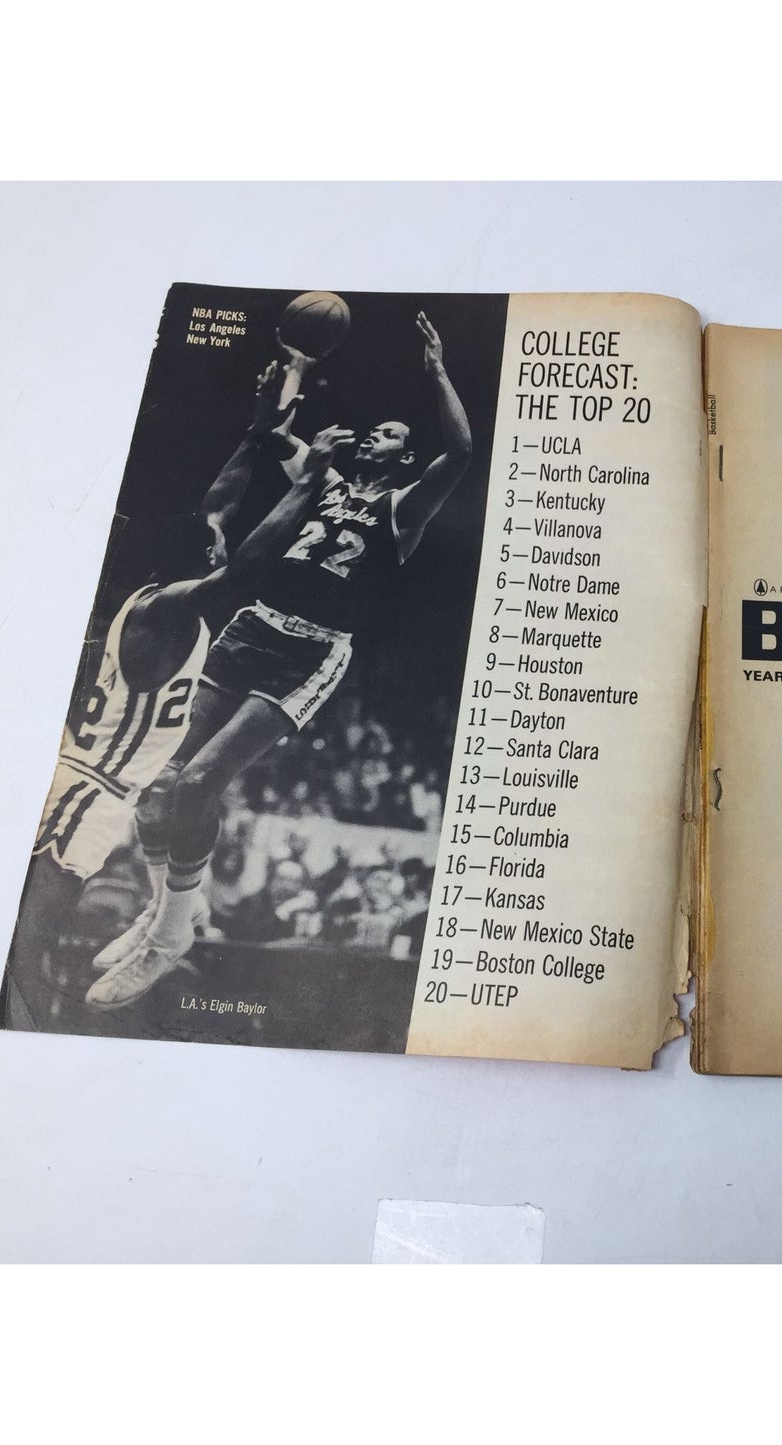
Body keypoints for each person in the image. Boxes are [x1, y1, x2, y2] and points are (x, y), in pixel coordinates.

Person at [88, 312, 474, 1008]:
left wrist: (438, 371)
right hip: (250, 628)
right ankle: (169, 913)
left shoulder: (402, 509)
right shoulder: (323, 478)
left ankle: (169, 938)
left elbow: (462, 451)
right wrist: (293, 367)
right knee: (157, 781)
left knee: (199, 783)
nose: (375, 434)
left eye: (389, 434)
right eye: (375, 429)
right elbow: (272, 433)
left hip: (310, 651)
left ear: (404, 457)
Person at [0, 361, 340, 1020]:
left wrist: (257, 433)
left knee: (30, 940)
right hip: (88, 792)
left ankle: (164, 919)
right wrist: (310, 484)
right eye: (213, 547)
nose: (220, 545)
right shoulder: (165, 612)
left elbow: (218, 505)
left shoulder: (164, 600)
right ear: (196, 564)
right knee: (27, 942)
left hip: (99, 790)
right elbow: (242, 571)